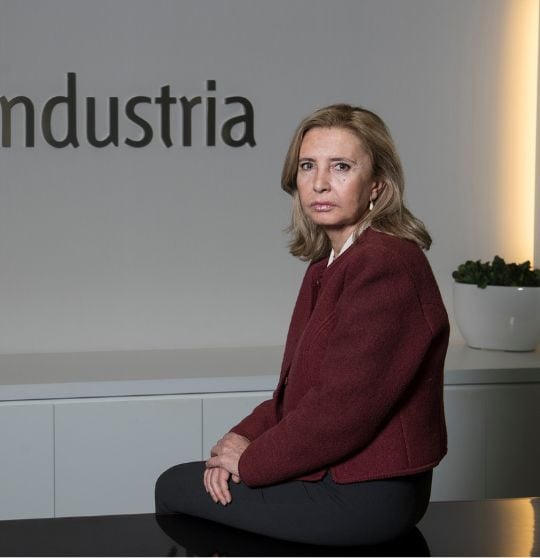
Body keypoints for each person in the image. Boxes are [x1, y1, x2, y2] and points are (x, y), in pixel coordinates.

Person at [154, 103, 449, 547]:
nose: (320, 182)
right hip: (344, 479)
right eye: (308, 165)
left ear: (377, 184)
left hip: (367, 495)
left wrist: (248, 461)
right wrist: (238, 439)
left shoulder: (383, 263)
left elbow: (342, 410)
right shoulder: (330, 264)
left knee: (174, 487)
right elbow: (298, 394)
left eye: (341, 167)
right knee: (198, 480)